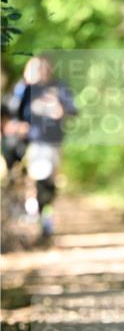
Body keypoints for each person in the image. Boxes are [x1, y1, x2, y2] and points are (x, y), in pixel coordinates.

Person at [9, 55, 77, 239]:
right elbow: (12, 110)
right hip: (30, 142)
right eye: (37, 68)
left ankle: (46, 218)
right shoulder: (24, 88)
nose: (41, 72)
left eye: (44, 68)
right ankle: (32, 214)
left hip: (53, 141)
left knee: (48, 181)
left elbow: (72, 110)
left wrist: (61, 110)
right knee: (30, 177)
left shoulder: (59, 87)